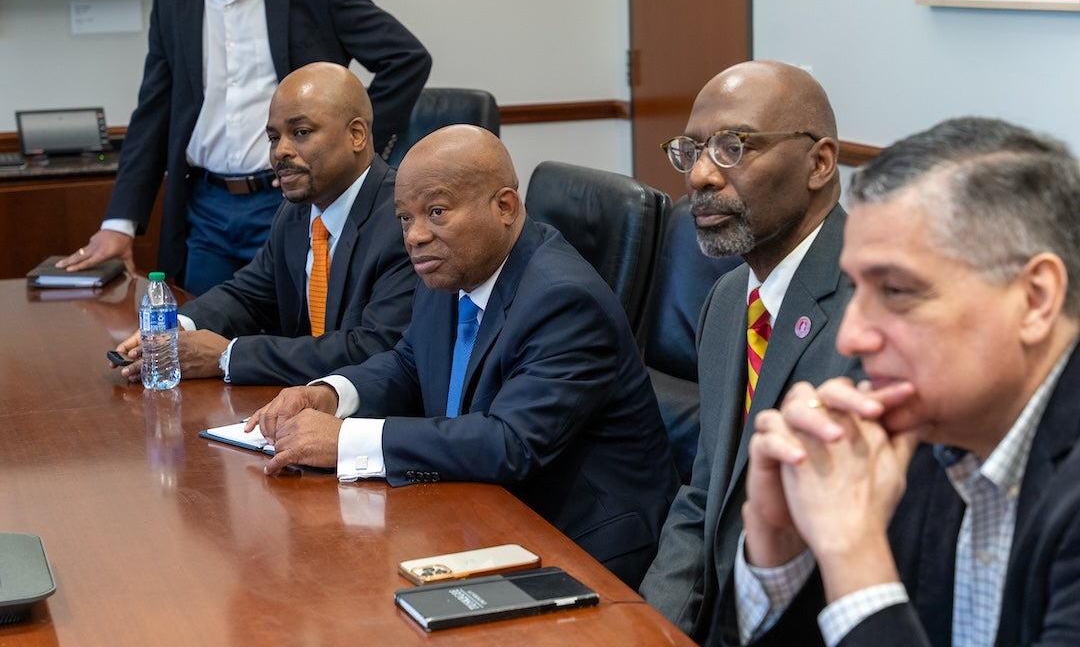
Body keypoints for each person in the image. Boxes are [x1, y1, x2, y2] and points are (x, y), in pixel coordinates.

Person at [244, 124, 680, 588]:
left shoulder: (564, 300)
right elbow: (410, 364)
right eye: (405, 218)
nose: (415, 236)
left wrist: (346, 440)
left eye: (436, 211)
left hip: (579, 543)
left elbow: (510, 443)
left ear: (505, 207)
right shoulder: (453, 270)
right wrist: (333, 395)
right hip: (483, 512)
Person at [733, 116, 1080, 646]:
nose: (850, 339)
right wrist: (784, 553)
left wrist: (853, 555)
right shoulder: (915, 433)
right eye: (855, 289)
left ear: (1035, 299)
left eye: (895, 291)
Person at [58, 0, 431, 294]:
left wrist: (351, 147)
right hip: (206, 207)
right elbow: (152, 115)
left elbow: (406, 59)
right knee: (201, 329)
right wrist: (119, 223)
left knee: (296, 336)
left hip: (292, 199)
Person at [638, 60, 863, 639]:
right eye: (691, 151)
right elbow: (703, 497)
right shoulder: (727, 299)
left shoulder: (869, 316)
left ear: (820, 163)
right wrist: (648, 630)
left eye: (733, 147)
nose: (701, 177)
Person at [111, 62, 415, 386]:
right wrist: (176, 329)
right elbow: (248, 296)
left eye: (301, 133)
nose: (280, 151)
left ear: (356, 135)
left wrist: (227, 356)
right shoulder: (295, 214)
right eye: (273, 137)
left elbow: (373, 349)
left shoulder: (404, 220)